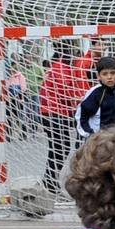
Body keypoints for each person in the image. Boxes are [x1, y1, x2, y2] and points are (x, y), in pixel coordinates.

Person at [39, 44, 87, 193]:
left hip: (55, 112)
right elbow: (66, 92)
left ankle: (50, 181)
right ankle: (49, 182)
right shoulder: (61, 69)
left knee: (59, 148)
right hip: (53, 113)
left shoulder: (59, 68)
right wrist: (81, 98)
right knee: (60, 148)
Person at [76, 56, 115, 139]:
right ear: (98, 76)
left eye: (112, 73)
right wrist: (92, 135)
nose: (109, 77)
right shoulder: (95, 93)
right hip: (98, 142)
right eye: (105, 74)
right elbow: (80, 117)